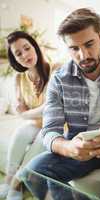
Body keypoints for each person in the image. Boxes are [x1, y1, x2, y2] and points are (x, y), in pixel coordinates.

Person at [19, 8, 100, 200]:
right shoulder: (59, 79)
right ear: (67, 47)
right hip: (79, 149)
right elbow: (49, 131)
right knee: (32, 172)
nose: (83, 55)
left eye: (89, 44)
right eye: (74, 48)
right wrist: (68, 147)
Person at [0, 31, 50, 200]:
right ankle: (8, 180)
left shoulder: (54, 68)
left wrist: (26, 113)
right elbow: (18, 109)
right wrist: (26, 114)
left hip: (54, 124)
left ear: (34, 47)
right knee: (20, 133)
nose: (25, 55)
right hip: (35, 123)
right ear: (15, 59)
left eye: (27, 48)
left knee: (41, 141)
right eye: (18, 53)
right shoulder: (19, 78)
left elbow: (49, 108)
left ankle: (16, 183)